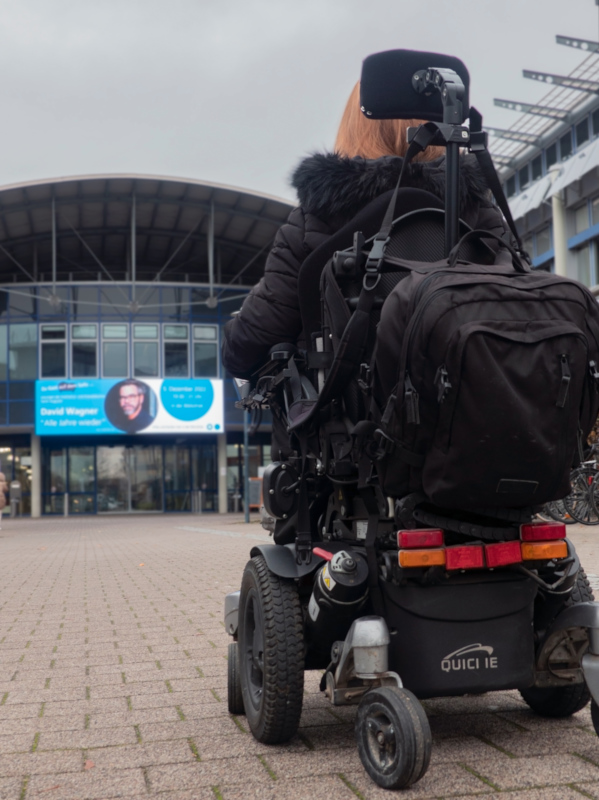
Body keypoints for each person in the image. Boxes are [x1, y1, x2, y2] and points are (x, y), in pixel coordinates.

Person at [222, 80, 511, 383]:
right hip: (467, 415)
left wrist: (235, 326)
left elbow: (249, 347)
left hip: (348, 422)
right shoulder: (480, 213)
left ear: (353, 128)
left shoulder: (314, 220)